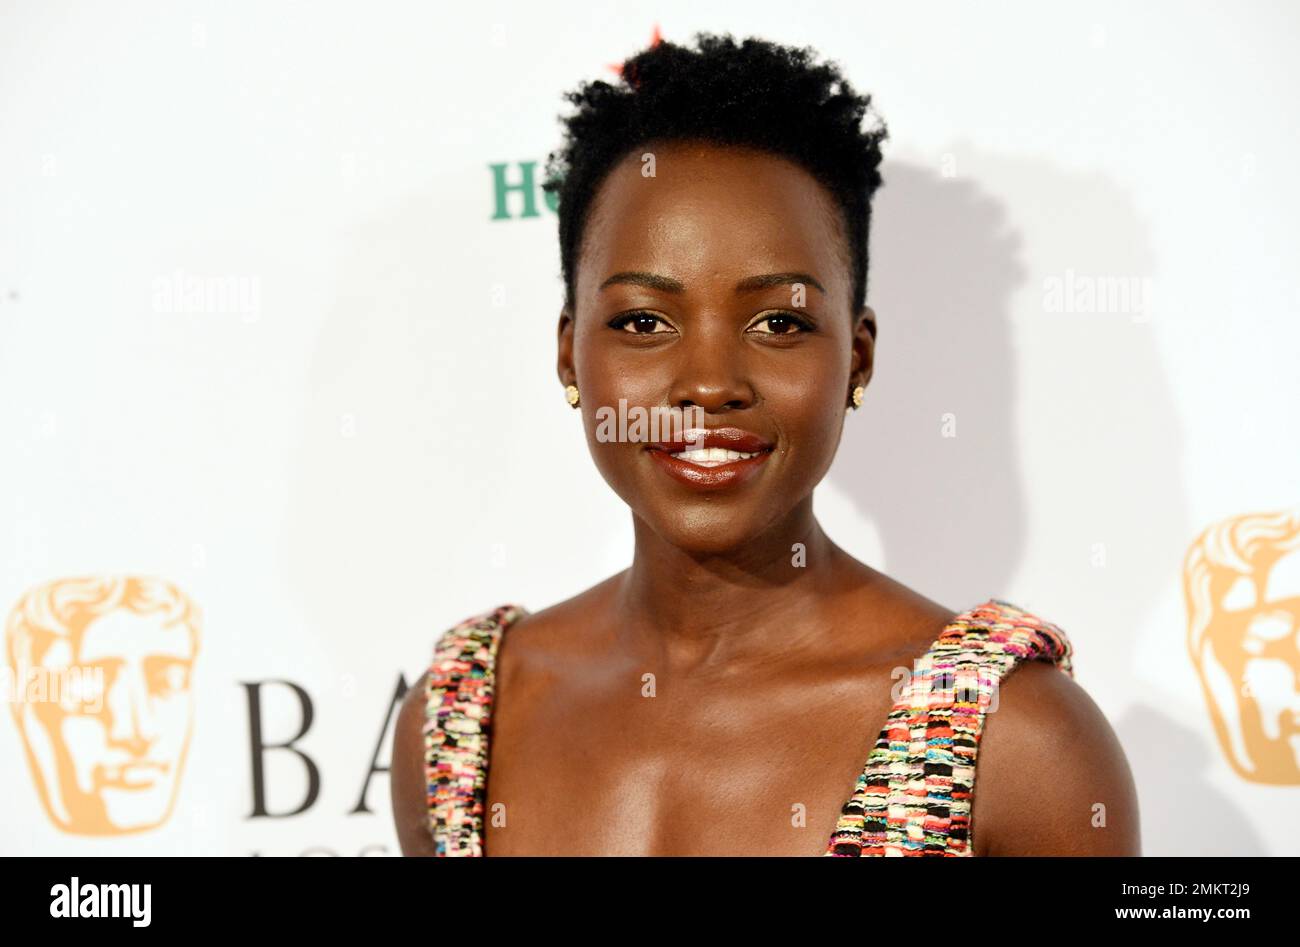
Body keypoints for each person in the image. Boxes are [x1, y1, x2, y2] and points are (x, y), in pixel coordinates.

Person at [391, 31, 1140, 856]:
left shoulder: (1016, 743)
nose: (710, 385)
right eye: (644, 321)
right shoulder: (460, 722)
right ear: (570, 351)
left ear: (856, 356)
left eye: (778, 321)